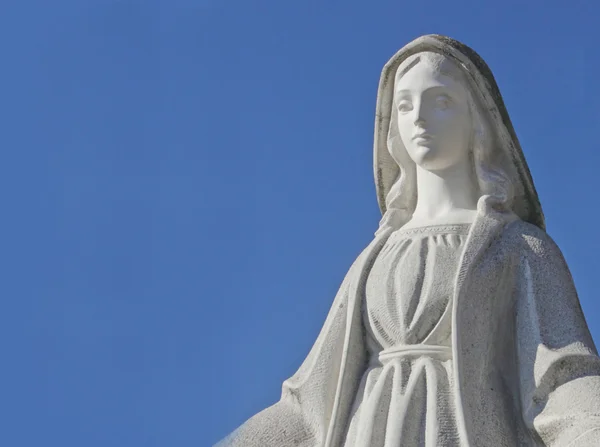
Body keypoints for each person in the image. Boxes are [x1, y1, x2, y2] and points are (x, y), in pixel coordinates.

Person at [217, 35, 600, 447]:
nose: (419, 118)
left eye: (441, 101)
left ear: (479, 119)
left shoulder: (521, 248)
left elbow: (563, 377)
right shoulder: (375, 259)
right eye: (404, 104)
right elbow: (307, 406)